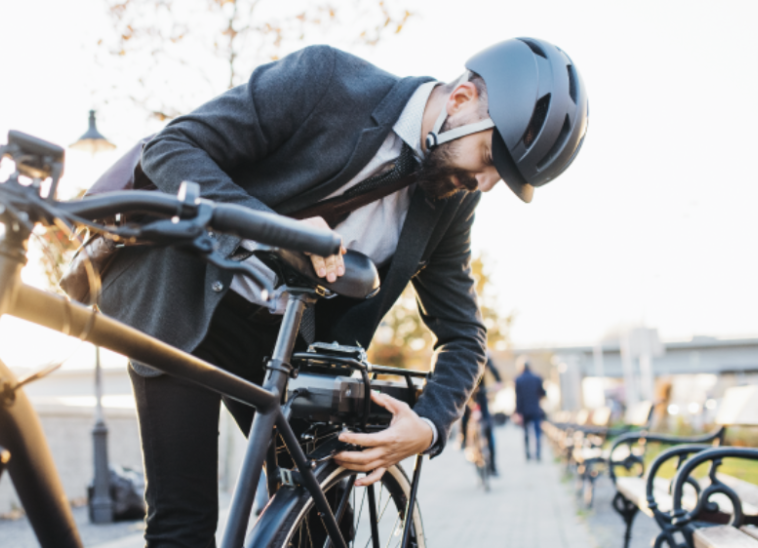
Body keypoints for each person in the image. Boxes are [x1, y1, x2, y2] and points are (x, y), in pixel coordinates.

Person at [97, 39, 588, 547]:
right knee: (183, 524)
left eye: (499, 179)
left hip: (288, 345)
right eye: (490, 158)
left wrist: (430, 425)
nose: (484, 185)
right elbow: (171, 150)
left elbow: (464, 333)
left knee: (324, 525)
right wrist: (276, 229)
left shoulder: (453, 202)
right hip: (186, 299)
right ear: (461, 99)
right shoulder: (325, 81)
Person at [461, 358, 501, 473]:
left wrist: (498, 381)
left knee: (488, 426)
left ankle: (492, 464)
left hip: (481, 394)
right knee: (464, 418)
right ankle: (464, 442)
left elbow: (493, 369)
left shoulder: (483, 354)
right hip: (467, 395)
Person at [514, 359, 547, 461]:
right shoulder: (537, 378)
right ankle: (537, 454)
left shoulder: (518, 379)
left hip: (524, 411)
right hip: (535, 409)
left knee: (526, 433)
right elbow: (543, 393)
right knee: (537, 433)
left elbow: (518, 398)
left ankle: (527, 454)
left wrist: (518, 412)